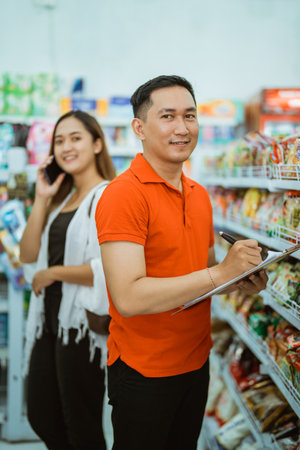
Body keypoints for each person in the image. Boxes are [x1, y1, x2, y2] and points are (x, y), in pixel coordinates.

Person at [95, 75, 268, 450]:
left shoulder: (199, 195)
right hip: (144, 371)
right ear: (139, 128)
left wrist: (238, 277)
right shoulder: (123, 195)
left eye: (189, 116)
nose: (182, 128)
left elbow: (199, 273)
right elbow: (128, 297)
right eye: (168, 116)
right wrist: (220, 271)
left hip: (196, 362)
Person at [20, 110, 116, 450]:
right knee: (42, 414)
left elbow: (110, 268)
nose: (66, 147)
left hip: (80, 326)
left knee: (81, 421)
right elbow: (28, 254)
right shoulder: (63, 199)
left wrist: (53, 273)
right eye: (59, 141)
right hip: (51, 320)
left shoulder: (107, 196)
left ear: (97, 144)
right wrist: (42, 197)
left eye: (76, 138)